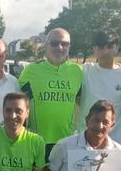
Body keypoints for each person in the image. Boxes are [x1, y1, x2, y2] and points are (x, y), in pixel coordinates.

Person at [17, 27, 84, 158]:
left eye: (64, 44)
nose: (59, 47)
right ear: (46, 45)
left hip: (67, 142)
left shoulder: (78, 72)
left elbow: (83, 103)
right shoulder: (31, 71)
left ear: (69, 46)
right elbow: (19, 105)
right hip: (35, 141)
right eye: (54, 43)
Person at [78, 31, 121, 144]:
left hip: (114, 144)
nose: (105, 51)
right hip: (84, 143)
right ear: (94, 49)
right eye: (101, 47)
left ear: (117, 47)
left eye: (110, 46)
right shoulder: (84, 71)